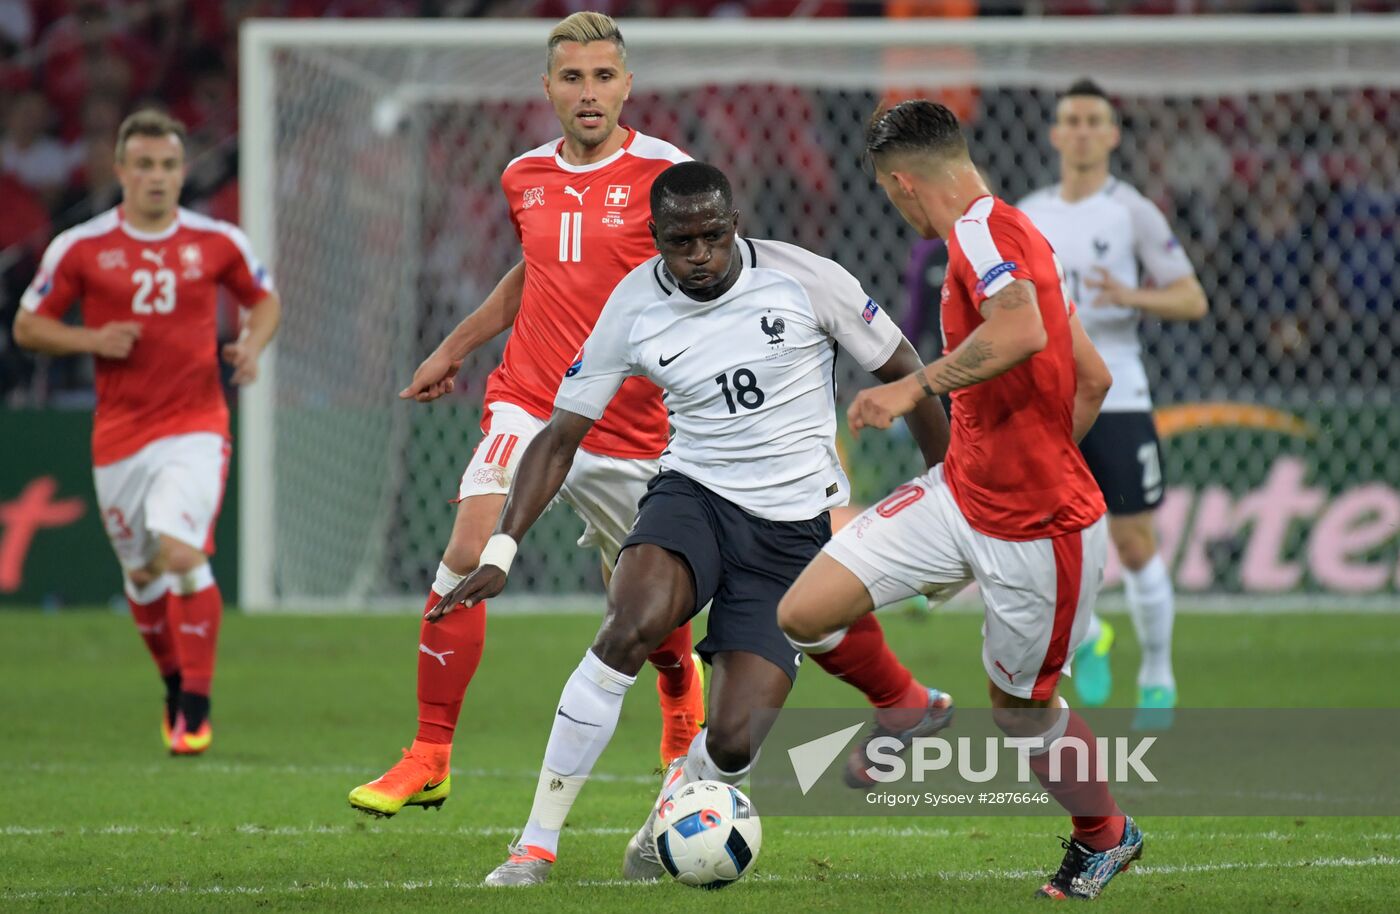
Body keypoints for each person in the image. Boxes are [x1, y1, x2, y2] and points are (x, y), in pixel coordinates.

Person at [437, 161, 952, 886]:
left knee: (736, 740)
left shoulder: (808, 280)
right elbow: (558, 437)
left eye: (714, 236)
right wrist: (501, 547)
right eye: (682, 243)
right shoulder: (632, 304)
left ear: (735, 224)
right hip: (694, 498)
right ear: (656, 237)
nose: (701, 255)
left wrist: (943, 491)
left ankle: (668, 817)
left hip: (791, 532)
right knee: (629, 626)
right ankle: (533, 846)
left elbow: (909, 373)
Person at [777, 100, 1141, 901]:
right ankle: (906, 706)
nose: (893, 206)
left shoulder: (981, 236)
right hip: (959, 495)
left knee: (1020, 713)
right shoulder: (1016, 235)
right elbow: (1093, 378)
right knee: (804, 612)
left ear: (903, 184)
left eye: (888, 193)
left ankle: (1105, 834)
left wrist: (912, 389)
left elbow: (1020, 333)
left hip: (1041, 534)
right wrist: (1014, 456)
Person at [347, 11, 706, 818]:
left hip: (630, 423)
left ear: (628, 85)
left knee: (646, 604)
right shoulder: (523, 176)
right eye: (573, 77)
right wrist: (454, 346)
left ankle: (681, 697)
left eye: (603, 76)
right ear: (548, 88)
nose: (589, 92)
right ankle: (429, 754)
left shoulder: (669, 174)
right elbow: (535, 270)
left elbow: (706, 278)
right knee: (467, 550)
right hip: (530, 401)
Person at [13, 109, 281, 756]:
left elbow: (264, 299)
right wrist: (91, 339)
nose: (157, 177)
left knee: (182, 555)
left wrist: (252, 346)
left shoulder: (217, 240)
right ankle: (172, 683)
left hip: (195, 424)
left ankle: (197, 706)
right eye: (144, 165)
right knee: (140, 574)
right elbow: (27, 326)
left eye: (167, 165)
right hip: (119, 434)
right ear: (121, 170)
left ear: (182, 171)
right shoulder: (81, 246)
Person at [1019, 79, 1207, 728]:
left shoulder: (1134, 212)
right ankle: (1092, 634)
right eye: (1070, 120)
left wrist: (1131, 297)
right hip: (1049, 398)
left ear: (1111, 134)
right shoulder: (1028, 214)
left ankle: (1157, 674)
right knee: (1049, 541)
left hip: (1120, 393)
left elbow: (1191, 298)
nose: (1080, 131)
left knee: (1133, 541)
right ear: (1054, 134)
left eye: (1092, 120)